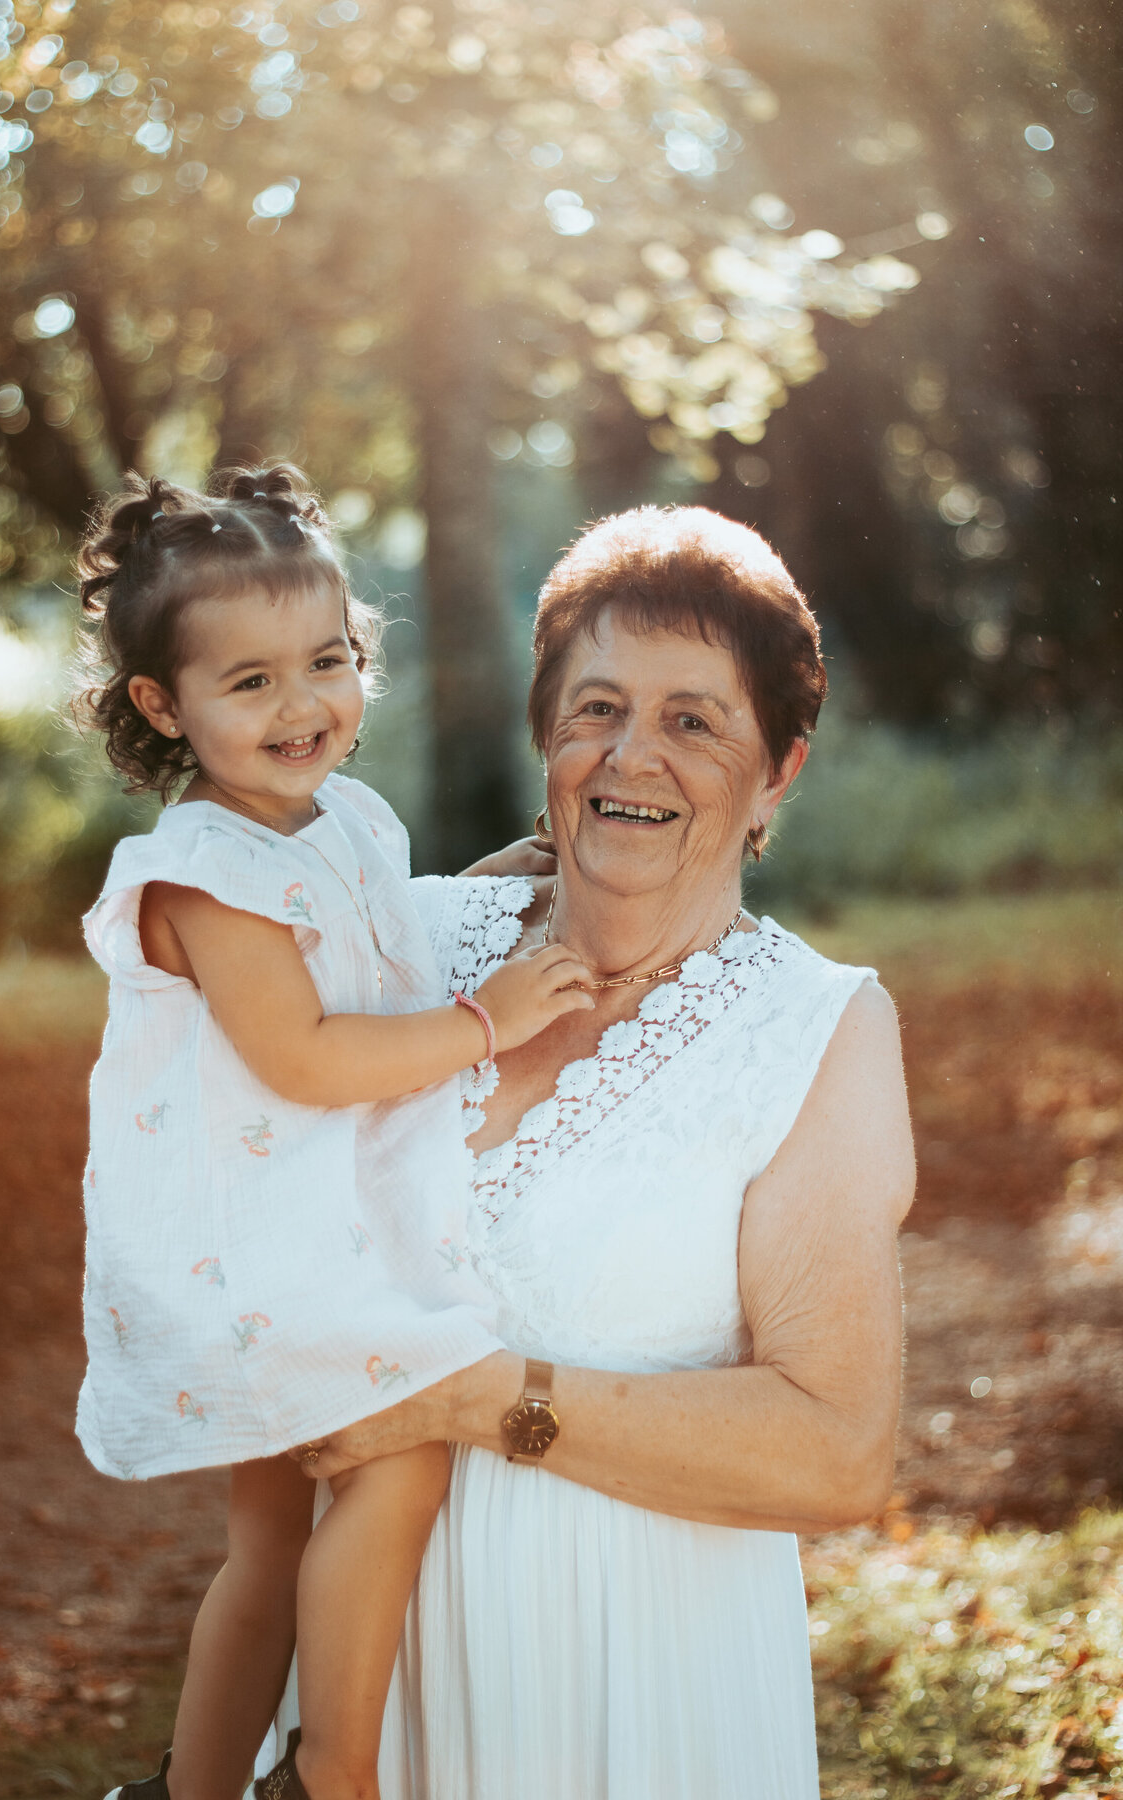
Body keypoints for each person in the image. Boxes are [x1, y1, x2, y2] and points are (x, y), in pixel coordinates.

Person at [263, 505, 916, 1799]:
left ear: (779, 769)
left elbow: (840, 1450)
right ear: (544, 733)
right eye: (597, 707)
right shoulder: (402, 936)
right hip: (360, 1682)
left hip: (641, 1691)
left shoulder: (813, 1030)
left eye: (694, 720)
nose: (633, 755)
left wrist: (471, 1396)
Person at [72, 464, 594, 1800]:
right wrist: (488, 1020)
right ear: (162, 706)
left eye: (328, 661)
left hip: (301, 1222)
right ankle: (335, 1777)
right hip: (255, 1243)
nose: (303, 706)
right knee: (402, 1455)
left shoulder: (339, 816)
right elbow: (304, 1056)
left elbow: (377, 941)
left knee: (265, 1536)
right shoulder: (207, 870)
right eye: (249, 684)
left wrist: (490, 885)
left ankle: (197, 1789)